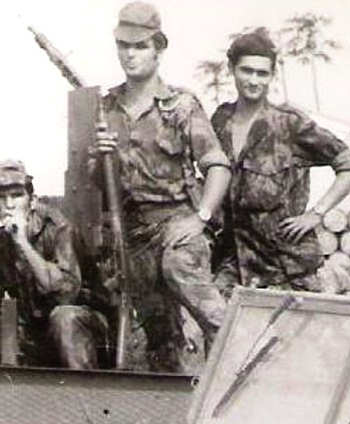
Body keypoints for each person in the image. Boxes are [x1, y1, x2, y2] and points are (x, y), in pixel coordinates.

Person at [94, 1, 231, 372]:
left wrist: (201, 217)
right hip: (133, 236)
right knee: (161, 341)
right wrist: (101, 158)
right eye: (124, 45)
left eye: (140, 46)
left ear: (158, 49)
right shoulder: (105, 109)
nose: (130, 54)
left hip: (176, 226)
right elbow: (98, 188)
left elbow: (218, 167)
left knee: (211, 313)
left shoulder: (180, 106)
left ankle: (240, 377)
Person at [210, 29, 350, 295]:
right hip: (235, 261)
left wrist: (316, 214)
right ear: (231, 69)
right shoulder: (220, 120)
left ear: (272, 76)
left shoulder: (289, 122)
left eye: (262, 73)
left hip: (286, 264)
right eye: (246, 71)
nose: (254, 81)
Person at [0, 160, 106, 368]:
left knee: (64, 318)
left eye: (17, 195)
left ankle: (82, 388)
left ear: (32, 201)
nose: (9, 205)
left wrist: (22, 243)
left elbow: (65, 294)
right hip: (31, 331)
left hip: (84, 328)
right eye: (1, 198)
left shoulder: (58, 228)